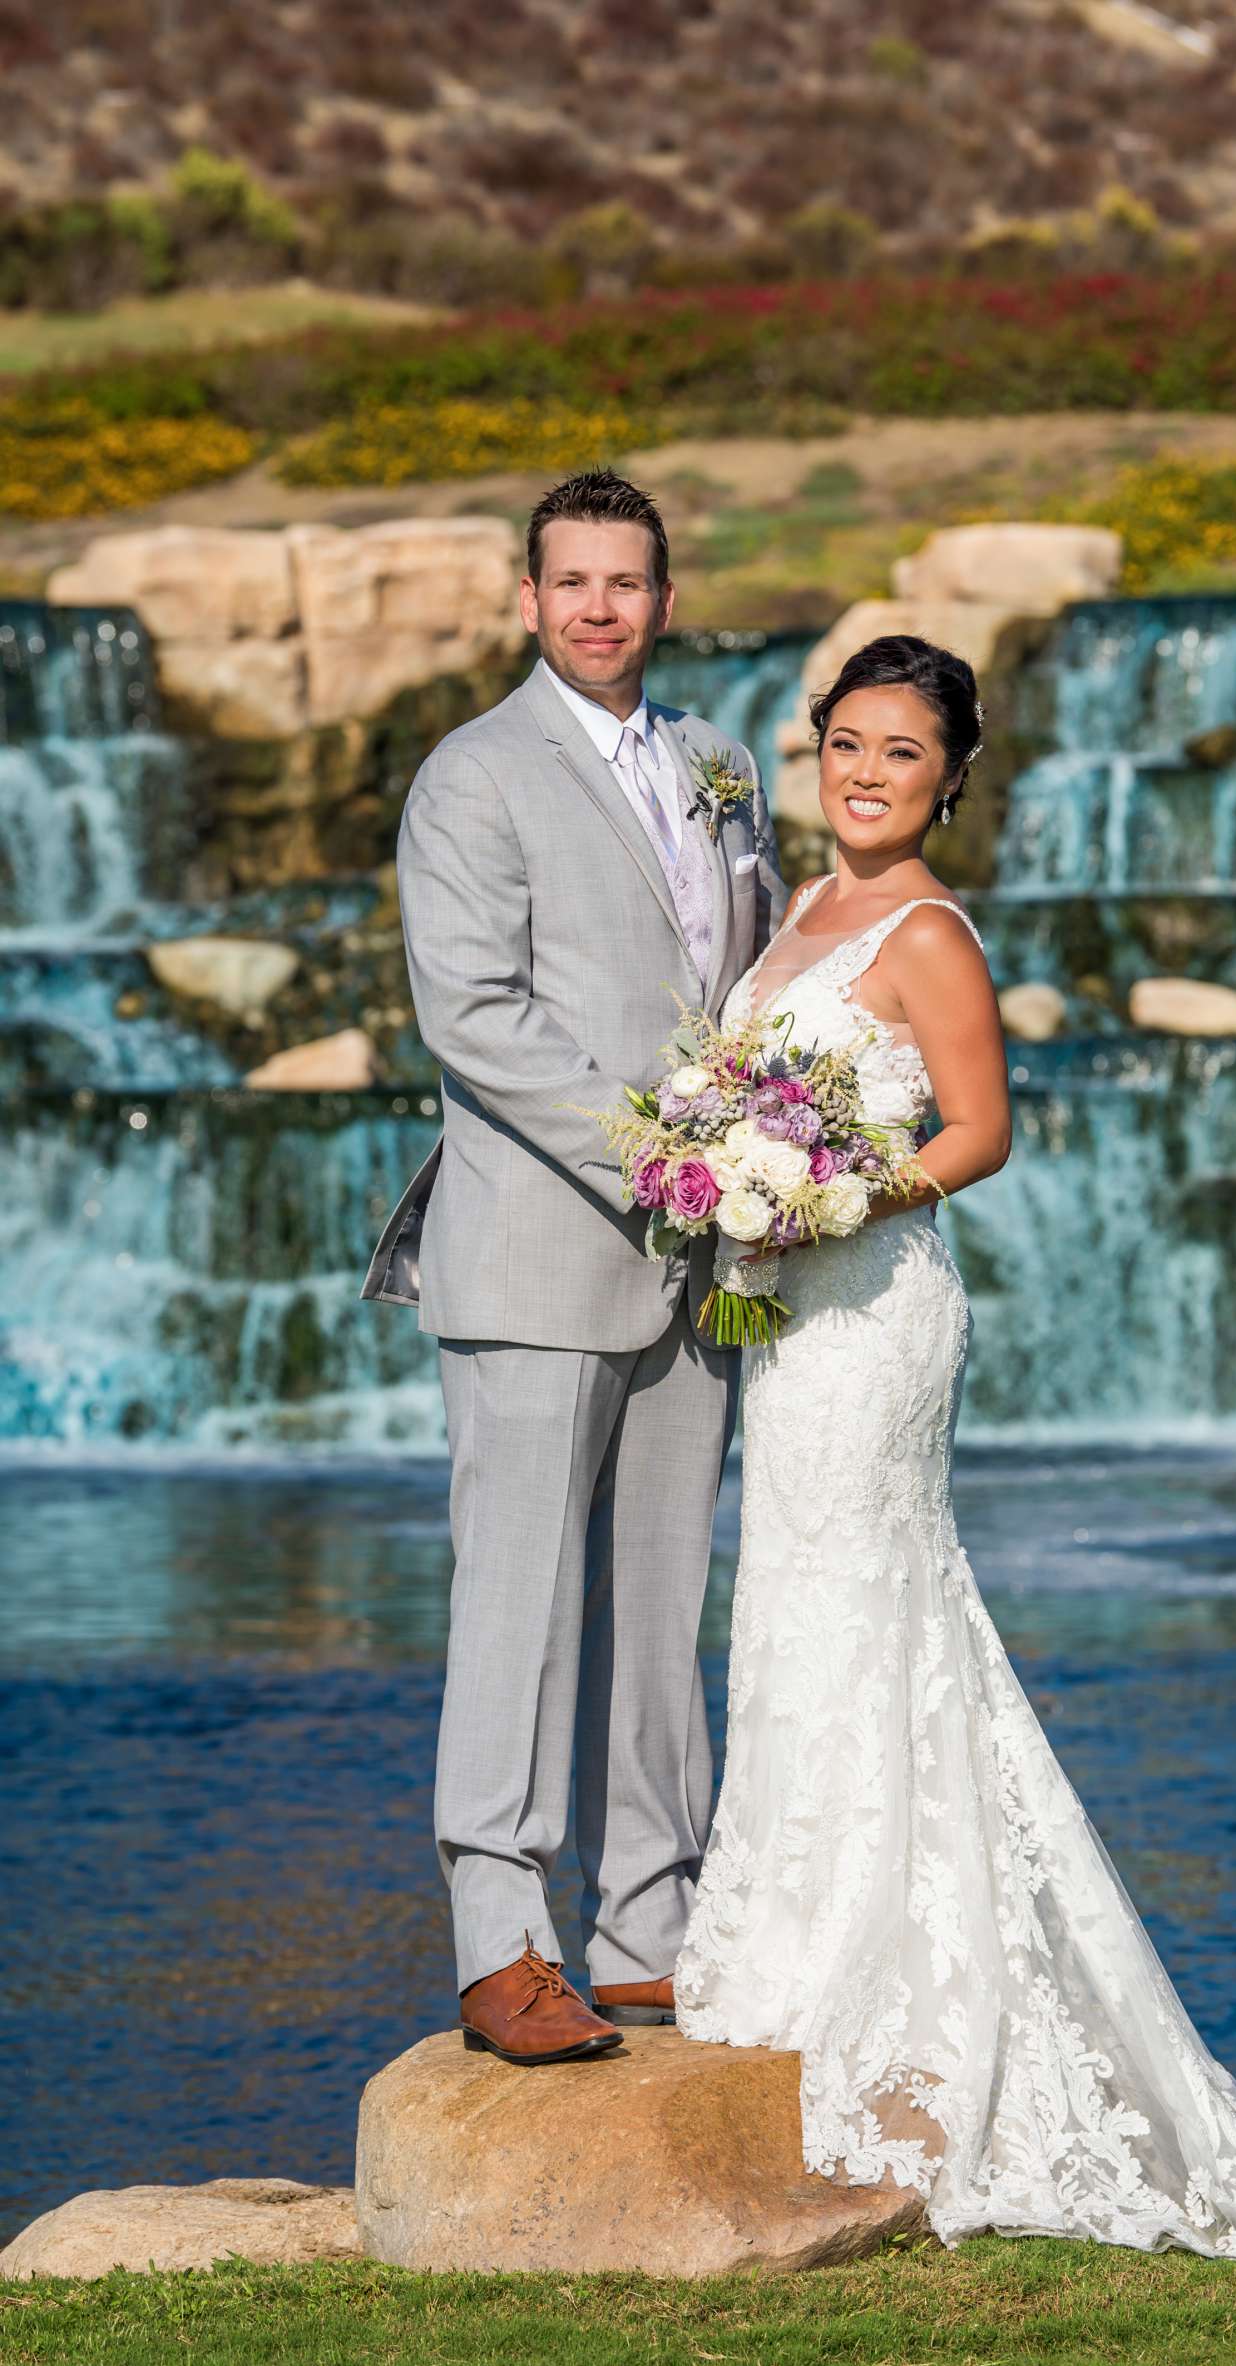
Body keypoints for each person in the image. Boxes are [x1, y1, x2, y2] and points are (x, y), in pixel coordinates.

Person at [674, 632, 1236, 2258]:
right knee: (793, 1620)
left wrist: (837, 1192)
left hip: (874, 1316)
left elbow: (981, 1130)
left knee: (875, 1620)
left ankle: (894, 1999)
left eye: (900, 754)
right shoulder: (789, 911)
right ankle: (778, 1962)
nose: (864, 773)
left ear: (952, 779)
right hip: (785, 1326)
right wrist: (731, 1183)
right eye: (844, 743)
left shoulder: (926, 931)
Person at [364, 467, 784, 2063]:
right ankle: (500, 1946)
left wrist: (765, 1152)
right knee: (521, 1607)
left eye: (628, 583)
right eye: (571, 583)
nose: (600, 607)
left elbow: (739, 977)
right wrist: (664, 1157)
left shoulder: (715, 767)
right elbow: (474, 1017)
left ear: (663, 602)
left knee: (661, 1606)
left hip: (701, 1264)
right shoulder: (472, 776)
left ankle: (647, 1926)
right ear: (528, 602)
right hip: (545, 1244)